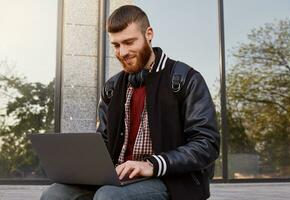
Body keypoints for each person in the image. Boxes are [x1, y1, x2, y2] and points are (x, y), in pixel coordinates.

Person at [40, 5, 220, 200]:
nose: (122, 52)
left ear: (148, 34)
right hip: (117, 177)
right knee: (54, 194)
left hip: (170, 179)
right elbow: (105, 141)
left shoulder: (186, 79)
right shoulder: (112, 87)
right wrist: (83, 164)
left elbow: (207, 144)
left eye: (129, 42)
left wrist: (152, 164)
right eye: (116, 45)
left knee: (108, 196)